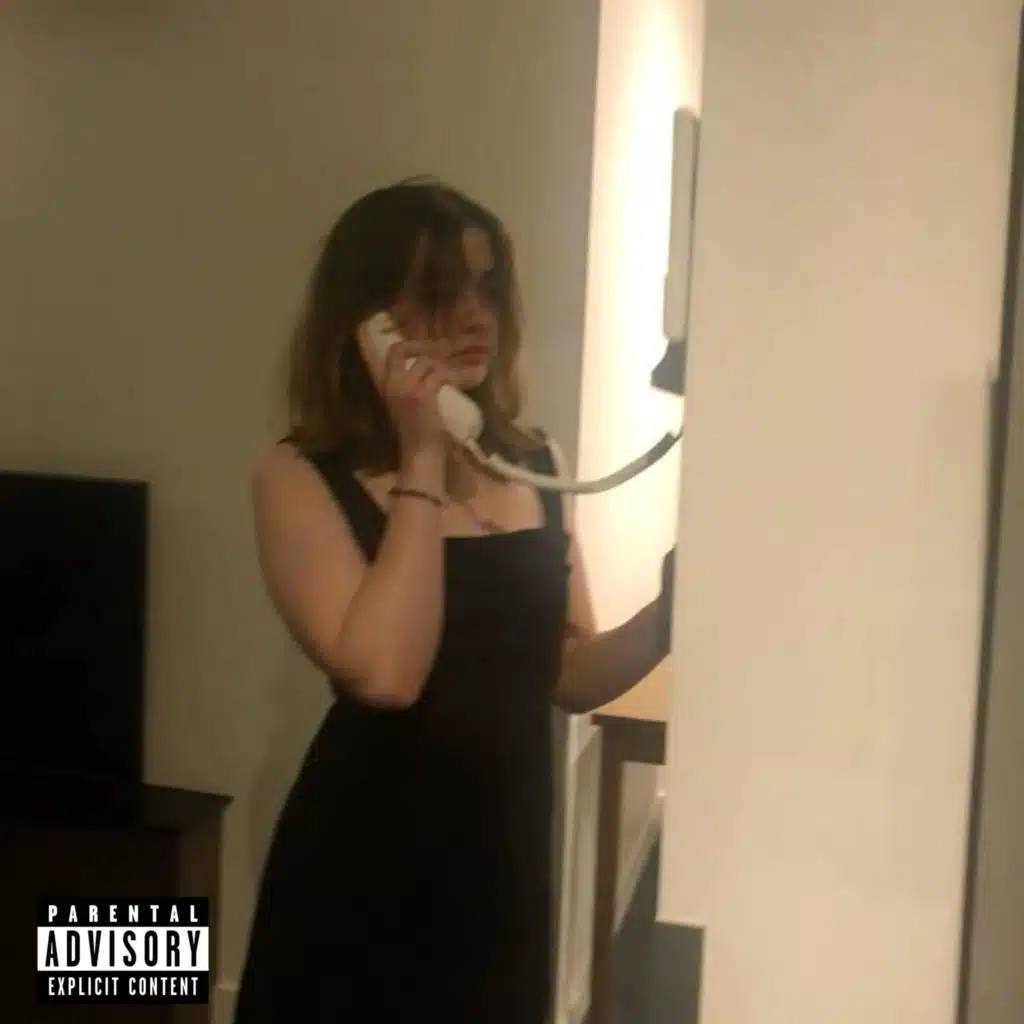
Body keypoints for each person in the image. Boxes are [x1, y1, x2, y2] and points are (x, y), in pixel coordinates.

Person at [233, 178, 674, 1023]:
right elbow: (386, 674)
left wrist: (668, 616)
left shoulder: (533, 460)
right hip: (364, 871)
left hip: (503, 861)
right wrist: (423, 457)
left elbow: (566, 672)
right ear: (369, 324)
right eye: (440, 294)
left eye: (488, 287)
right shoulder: (297, 475)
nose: (476, 316)